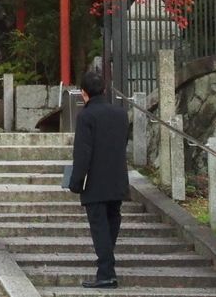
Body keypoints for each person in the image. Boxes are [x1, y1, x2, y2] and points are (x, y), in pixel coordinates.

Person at [68, 69, 130, 289]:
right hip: (117, 178)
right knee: (112, 220)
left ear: (84, 93)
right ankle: (107, 268)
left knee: (100, 226)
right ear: (104, 89)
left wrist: (76, 181)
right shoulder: (121, 113)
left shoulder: (86, 116)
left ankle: (106, 273)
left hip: (95, 181)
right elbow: (123, 144)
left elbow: (82, 152)